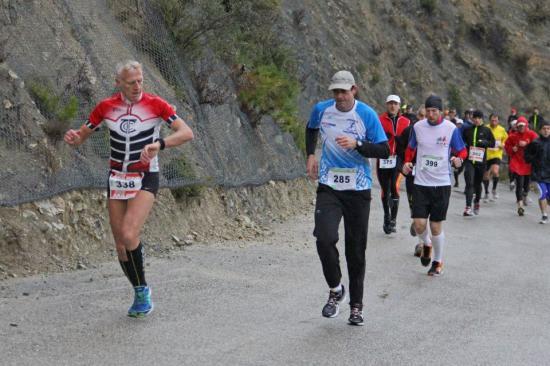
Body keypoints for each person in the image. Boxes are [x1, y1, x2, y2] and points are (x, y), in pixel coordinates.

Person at [64, 60, 194, 317]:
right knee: (121, 246)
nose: (137, 86)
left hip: (146, 176)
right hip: (117, 178)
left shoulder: (156, 104)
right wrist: (74, 138)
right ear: (119, 83)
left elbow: (186, 132)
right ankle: (138, 289)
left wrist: (160, 144)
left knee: (128, 232)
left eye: (140, 81)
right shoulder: (106, 107)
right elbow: (81, 136)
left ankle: (143, 292)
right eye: (131, 82)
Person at [306, 70, 389, 326]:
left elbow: (384, 149)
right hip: (329, 185)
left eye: (344, 91)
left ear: (354, 89)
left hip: (358, 190)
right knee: (324, 237)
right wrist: (310, 155)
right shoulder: (322, 109)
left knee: (355, 250)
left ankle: (356, 306)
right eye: (336, 92)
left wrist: (358, 145)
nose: (340, 96)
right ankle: (335, 290)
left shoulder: (366, 114)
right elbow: (310, 129)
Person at [402, 95, 467, 276]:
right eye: (428, 111)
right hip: (421, 183)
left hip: (441, 183)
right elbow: (410, 148)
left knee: (436, 226)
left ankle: (437, 261)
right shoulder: (417, 127)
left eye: (434, 111)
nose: (430, 114)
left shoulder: (450, 128)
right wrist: (407, 162)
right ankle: (427, 244)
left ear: (441, 112)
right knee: (419, 224)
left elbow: (462, 150)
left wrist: (458, 159)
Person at [377, 94, 410, 234]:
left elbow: (411, 142)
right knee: (385, 189)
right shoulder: (379, 120)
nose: (392, 106)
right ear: (386, 105)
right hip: (383, 159)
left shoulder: (407, 122)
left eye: (395, 104)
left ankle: (393, 220)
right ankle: (386, 216)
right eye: (390, 103)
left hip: (398, 159)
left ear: (399, 106)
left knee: (394, 187)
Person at [396, 106, 425, 256]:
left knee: (429, 214)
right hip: (413, 178)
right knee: (417, 210)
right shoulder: (409, 131)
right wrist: (402, 167)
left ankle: (422, 244)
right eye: (420, 116)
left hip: (432, 179)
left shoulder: (440, 133)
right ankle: (418, 227)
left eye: (426, 116)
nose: (423, 119)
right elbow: (399, 153)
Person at [461, 110, 495, 216]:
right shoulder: (467, 130)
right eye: (474, 118)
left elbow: (492, 144)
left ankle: (476, 202)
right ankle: (468, 207)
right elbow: (462, 142)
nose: (476, 120)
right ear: (472, 118)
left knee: (477, 184)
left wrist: (485, 143)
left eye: (478, 118)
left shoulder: (486, 130)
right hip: (469, 161)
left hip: (481, 162)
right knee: (469, 182)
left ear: (482, 119)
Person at [504, 116, 538, 216]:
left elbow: (538, 145)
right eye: (519, 126)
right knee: (519, 184)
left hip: (528, 163)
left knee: (526, 185)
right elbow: (507, 146)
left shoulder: (531, 134)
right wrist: (512, 149)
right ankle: (520, 206)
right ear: (516, 127)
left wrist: (527, 143)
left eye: (523, 126)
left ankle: (525, 194)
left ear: (526, 125)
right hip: (518, 162)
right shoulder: (513, 136)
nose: (521, 128)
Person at [525, 121, 550, 224]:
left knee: (548, 196)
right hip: (538, 174)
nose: (546, 130)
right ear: (540, 130)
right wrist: (533, 157)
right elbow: (526, 157)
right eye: (544, 128)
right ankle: (544, 215)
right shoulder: (535, 143)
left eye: (548, 128)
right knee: (543, 193)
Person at [483, 113, 508, 202]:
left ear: (498, 121)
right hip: (486, 154)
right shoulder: (485, 128)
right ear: (489, 120)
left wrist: (503, 144)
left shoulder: (501, 129)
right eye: (492, 120)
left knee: (495, 171)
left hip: (496, 154)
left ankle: (494, 189)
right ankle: (486, 192)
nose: (494, 122)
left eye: (496, 120)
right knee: (485, 175)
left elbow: (506, 138)